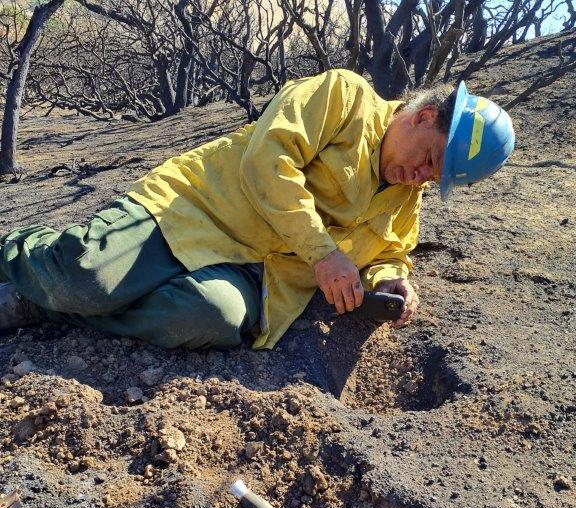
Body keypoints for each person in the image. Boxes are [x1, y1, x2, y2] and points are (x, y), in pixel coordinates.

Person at [0, 71, 514, 350]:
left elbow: (394, 251)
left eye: (435, 180)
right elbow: (268, 162)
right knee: (84, 276)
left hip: (256, 273)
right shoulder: (343, 97)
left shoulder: (406, 198)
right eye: (429, 161)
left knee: (210, 319)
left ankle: (40, 306)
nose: (422, 178)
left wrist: (392, 279)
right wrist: (324, 253)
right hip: (193, 211)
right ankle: (20, 256)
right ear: (424, 118)